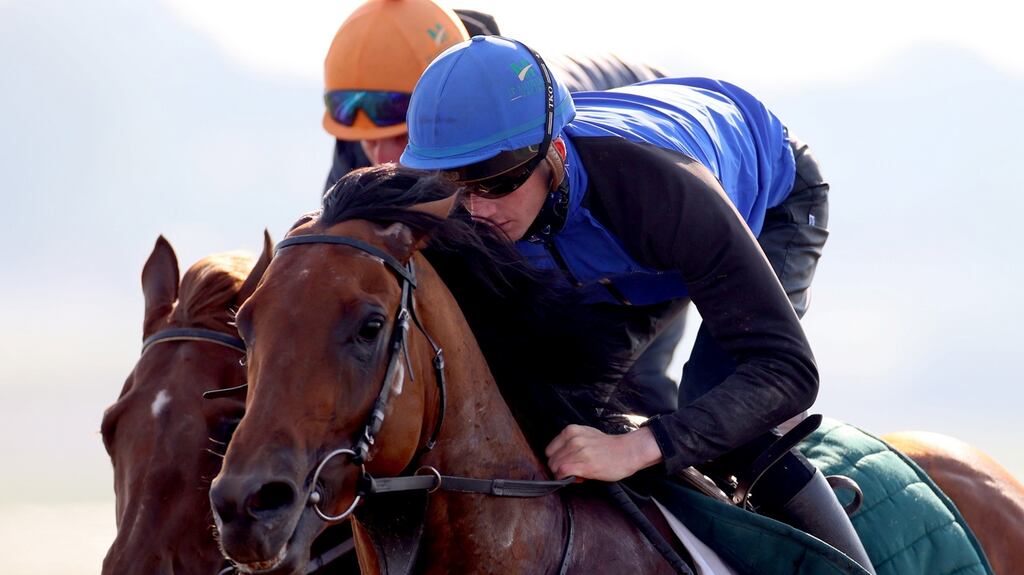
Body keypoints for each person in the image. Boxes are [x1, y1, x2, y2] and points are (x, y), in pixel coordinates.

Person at [399, 35, 875, 573]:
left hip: (765, 199)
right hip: (631, 249)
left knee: (722, 413)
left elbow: (788, 371)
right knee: (546, 411)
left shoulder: (657, 190)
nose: (477, 209)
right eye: (452, 185)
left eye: (497, 180)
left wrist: (639, 447)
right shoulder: (466, 207)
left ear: (552, 153)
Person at [321, 0, 682, 421]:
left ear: (438, 116)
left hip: (645, 199)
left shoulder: (519, 118)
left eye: (401, 132)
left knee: (608, 386)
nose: (383, 158)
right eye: (366, 138)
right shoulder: (368, 132)